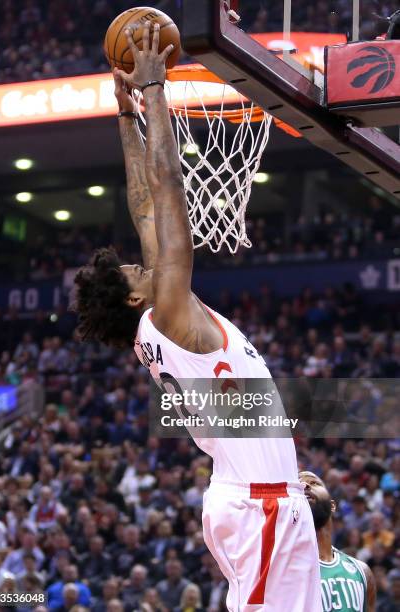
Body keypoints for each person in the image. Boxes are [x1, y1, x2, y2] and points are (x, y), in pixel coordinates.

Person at [73, 21, 321, 612]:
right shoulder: (170, 317)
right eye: (137, 270)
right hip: (259, 506)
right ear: (137, 298)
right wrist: (156, 94)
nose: (146, 260)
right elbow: (165, 198)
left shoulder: (161, 323)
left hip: (261, 498)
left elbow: (141, 207)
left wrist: (126, 112)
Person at [300, 471, 376, 612]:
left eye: (314, 483)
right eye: (298, 486)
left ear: (332, 505)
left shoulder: (362, 572)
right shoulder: (286, 568)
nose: (304, 486)